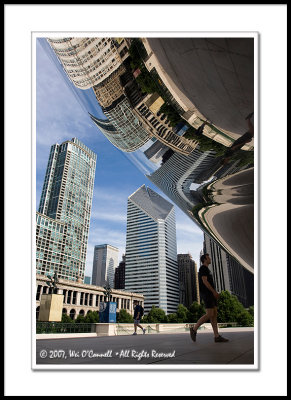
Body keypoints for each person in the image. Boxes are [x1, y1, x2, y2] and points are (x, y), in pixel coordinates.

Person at [190, 253, 229, 343]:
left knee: (214, 315)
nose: (210, 259)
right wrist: (214, 292)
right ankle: (194, 329)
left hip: (211, 294)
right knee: (209, 314)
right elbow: (204, 281)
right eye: (208, 258)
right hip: (207, 294)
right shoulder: (203, 268)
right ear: (204, 259)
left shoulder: (207, 269)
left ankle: (216, 336)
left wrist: (213, 292)